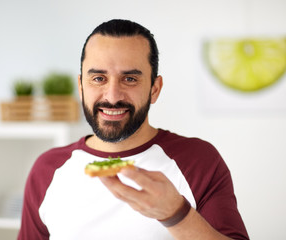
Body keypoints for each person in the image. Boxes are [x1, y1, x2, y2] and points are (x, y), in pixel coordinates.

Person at [18, 19, 249, 240]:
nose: (112, 97)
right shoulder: (47, 169)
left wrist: (176, 214)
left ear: (154, 89)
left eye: (129, 79)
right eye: (98, 78)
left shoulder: (199, 161)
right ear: (80, 87)